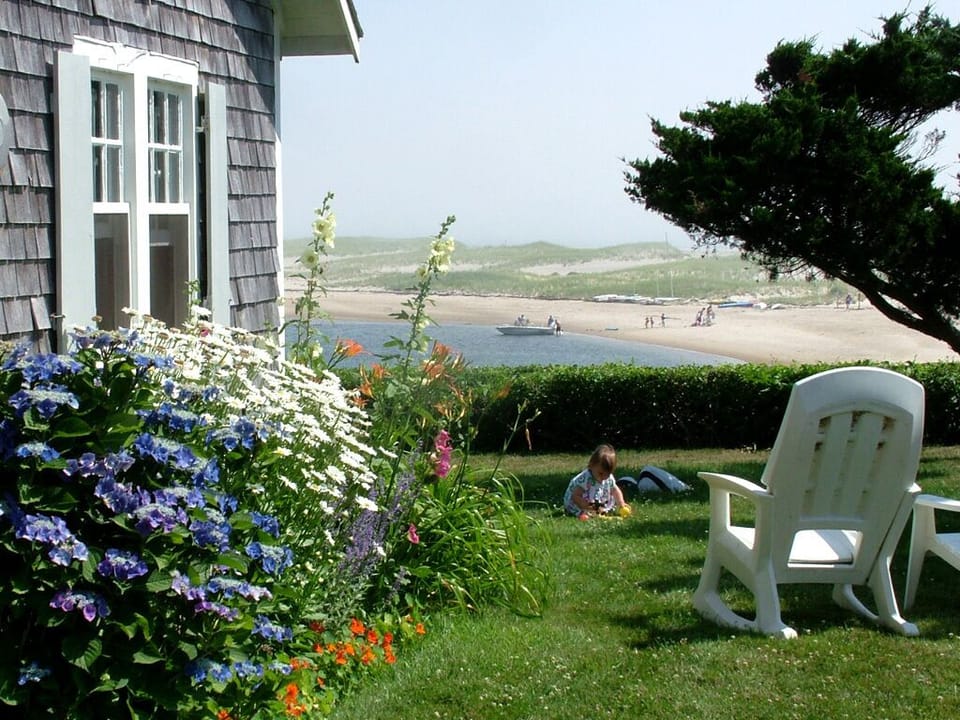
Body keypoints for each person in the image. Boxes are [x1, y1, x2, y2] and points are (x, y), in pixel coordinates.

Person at [563, 444, 630, 519]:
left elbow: (615, 490)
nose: (604, 477)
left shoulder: (607, 477)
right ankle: (583, 512)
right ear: (591, 465)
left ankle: (597, 510)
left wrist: (621, 503)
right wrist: (591, 507)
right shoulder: (585, 478)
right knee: (585, 513)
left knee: (609, 492)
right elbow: (575, 497)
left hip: (595, 500)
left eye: (608, 474)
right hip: (578, 503)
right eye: (601, 473)